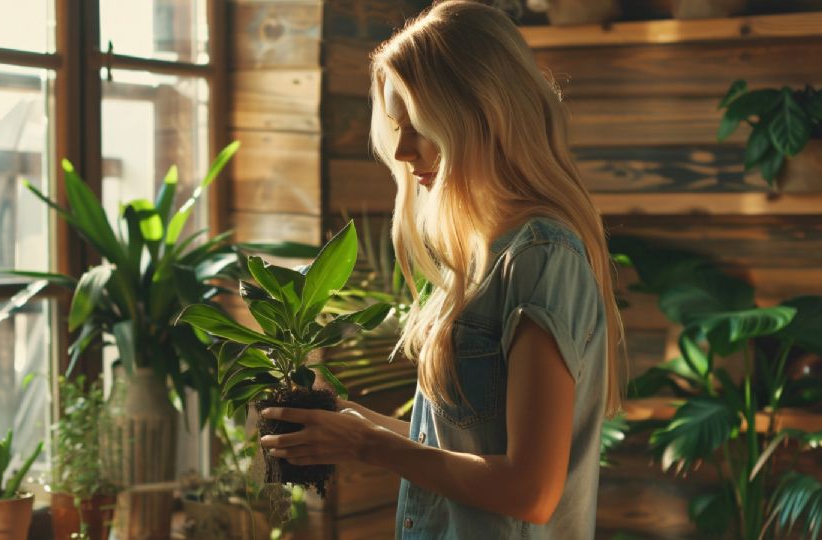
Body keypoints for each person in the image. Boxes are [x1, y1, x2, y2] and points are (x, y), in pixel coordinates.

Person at [259, 1, 626, 538]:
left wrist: (367, 445)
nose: (404, 151)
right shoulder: (480, 255)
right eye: (397, 126)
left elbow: (531, 491)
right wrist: (356, 423)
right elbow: (464, 448)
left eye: (420, 125)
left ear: (480, 114)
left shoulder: (541, 257)